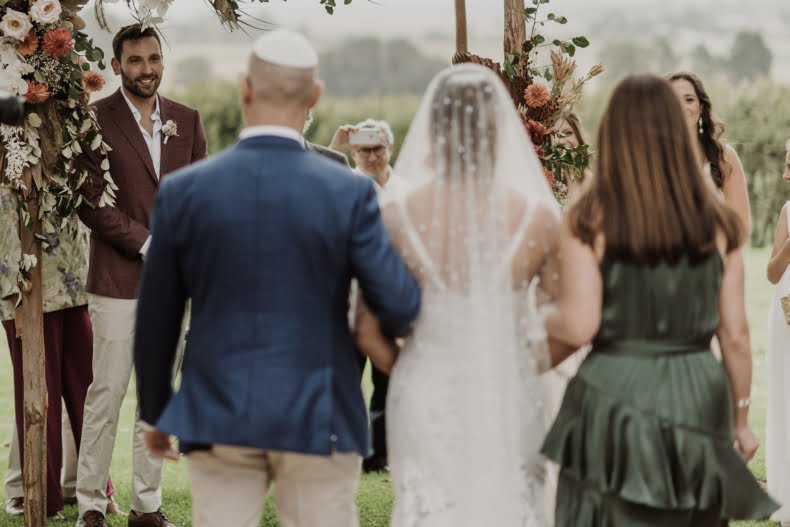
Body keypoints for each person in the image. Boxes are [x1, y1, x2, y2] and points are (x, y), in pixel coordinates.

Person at [132, 29, 420, 527]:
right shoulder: (351, 192)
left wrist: (156, 410)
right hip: (321, 414)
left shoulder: (184, 192)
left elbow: (157, 319)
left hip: (217, 411)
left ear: (245, 90)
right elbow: (396, 304)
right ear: (315, 96)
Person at [541, 74, 778, 526]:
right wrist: (741, 419)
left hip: (612, 391)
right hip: (697, 389)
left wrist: (531, 335)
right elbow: (735, 335)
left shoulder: (588, 217)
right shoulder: (717, 221)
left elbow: (578, 325)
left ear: (613, 132)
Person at [354, 63, 560, 526]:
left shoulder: (394, 216)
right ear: (501, 131)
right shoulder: (539, 217)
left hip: (427, 390)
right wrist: (519, 363)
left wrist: (413, 367)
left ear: (434, 130)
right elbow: (566, 321)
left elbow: (365, 331)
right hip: (510, 388)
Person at [74, 23, 207, 527]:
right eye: (135, 60)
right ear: (116, 66)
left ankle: (146, 507)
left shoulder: (187, 120)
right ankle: (90, 503)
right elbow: (90, 202)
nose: (146, 69)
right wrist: (149, 243)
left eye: (153, 59)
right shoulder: (94, 120)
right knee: (106, 395)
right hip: (117, 280)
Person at [0, 185, 117, 520]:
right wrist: (14, 296)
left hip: (74, 283)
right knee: (38, 399)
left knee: (88, 391)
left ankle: (99, 491)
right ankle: (43, 498)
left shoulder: (72, 156)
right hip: (26, 292)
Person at [330, 118, 407, 472]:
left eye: (377, 149)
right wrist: (336, 147)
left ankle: (379, 453)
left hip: (391, 293)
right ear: (354, 153)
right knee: (347, 375)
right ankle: (348, 446)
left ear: (390, 149)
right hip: (350, 294)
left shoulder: (405, 188)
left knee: (387, 378)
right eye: (364, 151)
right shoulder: (344, 183)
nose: (372, 157)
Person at [669, 72, 751, 237]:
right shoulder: (650, 157)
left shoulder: (724, 157)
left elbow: (741, 225)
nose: (682, 107)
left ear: (701, 107)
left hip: (712, 249)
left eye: (689, 99)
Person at [765, 138, 790, 527]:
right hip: (786, 312)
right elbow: (771, 273)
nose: (786, 174)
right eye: (786, 165)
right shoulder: (788, 210)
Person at [552, 111, 592, 200]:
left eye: (568, 133)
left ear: (578, 137)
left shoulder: (596, 185)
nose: (562, 141)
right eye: (555, 135)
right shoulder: (547, 185)